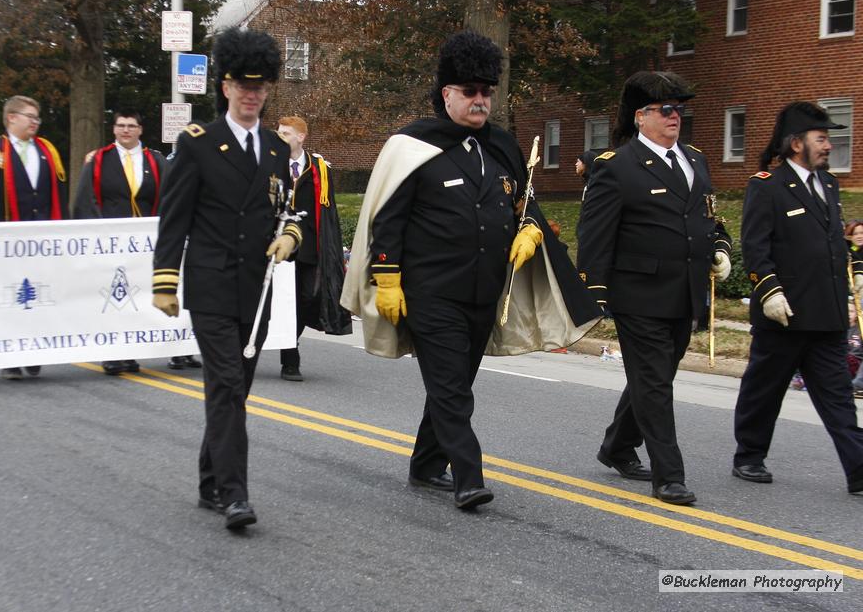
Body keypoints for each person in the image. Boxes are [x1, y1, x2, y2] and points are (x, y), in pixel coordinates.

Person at [342, 31, 601, 511]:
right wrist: (388, 277)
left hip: (485, 291)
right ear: (447, 95)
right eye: (470, 91)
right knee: (452, 390)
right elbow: (387, 219)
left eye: (486, 91)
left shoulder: (502, 147)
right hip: (430, 292)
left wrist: (531, 231)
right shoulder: (412, 146)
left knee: (454, 383)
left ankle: (425, 463)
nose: (480, 100)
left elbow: (523, 205)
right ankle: (468, 477)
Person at [151, 27, 301, 530]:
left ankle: (210, 482)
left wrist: (291, 239)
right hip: (212, 285)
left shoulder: (278, 150)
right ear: (225, 87)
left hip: (255, 290)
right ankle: (235, 495)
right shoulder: (197, 144)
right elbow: (174, 220)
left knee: (235, 391)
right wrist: (165, 280)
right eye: (242, 85)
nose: (252, 94)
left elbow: (290, 212)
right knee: (227, 387)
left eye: (260, 87)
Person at [577, 71, 732, 506]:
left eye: (679, 109)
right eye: (665, 109)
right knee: (654, 383)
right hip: (638, 294)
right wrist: (596, 291)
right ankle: (669, 475)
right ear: (641, 117)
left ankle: (616, 446)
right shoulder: (617, 166)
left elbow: (707, 217)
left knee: (655, 378)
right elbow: (594, 235)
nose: (675, 116)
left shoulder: (694, 159)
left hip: (684, 293)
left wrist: (719, 246)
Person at [733, 101, 863, 495]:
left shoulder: (829, 185)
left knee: (839, 396)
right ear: (795, 144)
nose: (828, 145)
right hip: (783, 313)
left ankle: (859, 468)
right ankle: (749, 456)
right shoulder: (767, 186)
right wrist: (768, 290)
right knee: (764, 388)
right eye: (820, 138)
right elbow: (755, 247)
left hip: (826, 315)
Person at [0, 95, 69, 381]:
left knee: (38, 294)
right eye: (30, 116)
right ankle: (11, 356)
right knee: (11, 296)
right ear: (11, 117)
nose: (35, 122)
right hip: (7, 238)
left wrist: (62, 227)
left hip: (40, 237)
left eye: (37, 118)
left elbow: (56, 193)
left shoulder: (46, 151)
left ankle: (34, 351)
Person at [74, 110, 168, 375]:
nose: (126, 130)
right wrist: (97, 234)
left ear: (140, 129)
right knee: (113, 297)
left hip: (145, 244)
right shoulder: (99, 160)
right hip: (110, 242)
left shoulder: (155, 160)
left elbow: (168, 197)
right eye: (121, 125)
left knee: (137, 297)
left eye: (131, 126)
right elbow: (86, 199)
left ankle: (131, 351)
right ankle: (112, 352)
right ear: (114, 129)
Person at [275, 115, 352, 382]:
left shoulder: (320, 169)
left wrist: (331, 251)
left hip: (309, 248)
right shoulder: (270, 164)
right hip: (278, 247)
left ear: (300, 137)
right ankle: (290, 358)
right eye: (279, 132)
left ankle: (290, 343)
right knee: (285, 303)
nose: (280, 137)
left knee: (307, 298)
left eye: (286, 133)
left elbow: (329, 213)